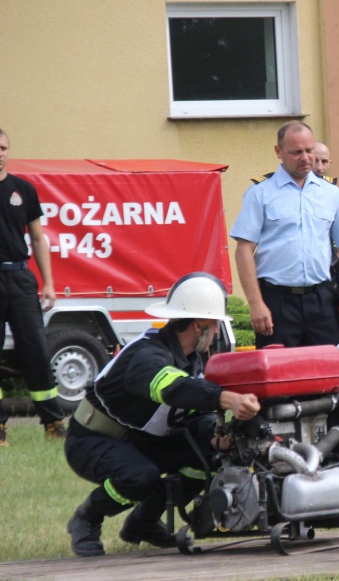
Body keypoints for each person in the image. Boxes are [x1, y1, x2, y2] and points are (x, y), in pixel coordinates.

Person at [63, 273, 261, 556]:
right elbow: (171, 389)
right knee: (140, 476)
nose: (216, 333)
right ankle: (87, 518)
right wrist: (226, 398)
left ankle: (142, 523)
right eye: (215, 325)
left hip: (143, 440)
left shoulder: (192, 359)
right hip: (92, 440)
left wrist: (217, 439)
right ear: (198, 325)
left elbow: (188, 416)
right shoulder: (146, 354)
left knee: (211, 456)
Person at [231, 121, 339, 350]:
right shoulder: (260, 193)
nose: (306, 158)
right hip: (277, 302)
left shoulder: (331, 194)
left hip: (322, 300)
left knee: (328, 377)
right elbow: (244, 250)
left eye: (309, 150)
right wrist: (255, 303)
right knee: (280, 378)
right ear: (279, 152)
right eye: (296, 152)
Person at [0, 127, 66, 446]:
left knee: (36, 352)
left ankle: (52, 421)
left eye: (3, 147)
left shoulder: (22, 189)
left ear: (8, 151)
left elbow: (38, 238)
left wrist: (49, 283)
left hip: (20, 278)